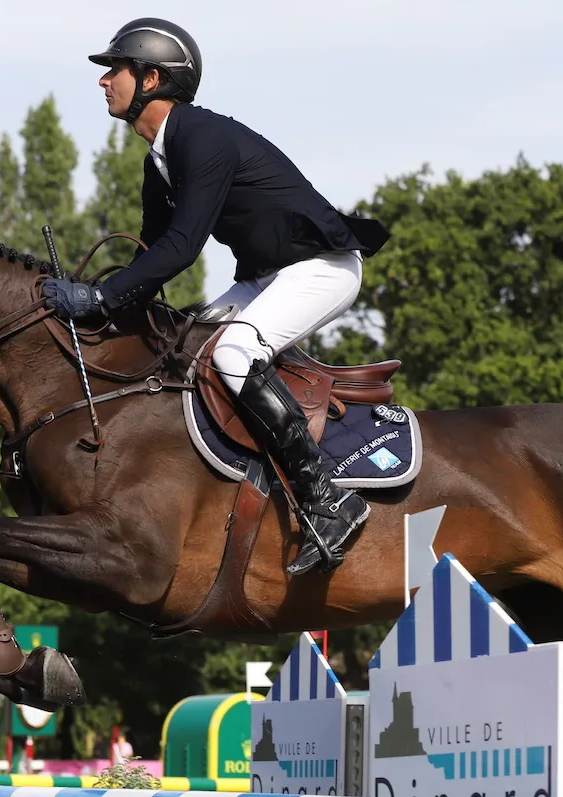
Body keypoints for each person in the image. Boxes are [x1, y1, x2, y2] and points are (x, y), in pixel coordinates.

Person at [41, 18, 389, 576]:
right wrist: (103, 313)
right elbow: (151, 252)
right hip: (265, 277)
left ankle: (327, 499)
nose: (104, 81)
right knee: (185, 346)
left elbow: (181, 248)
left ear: (151, 78)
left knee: (231, 355)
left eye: (115, 70)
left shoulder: (200, 136)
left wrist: (100, 298)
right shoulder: (159, 153)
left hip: (320, 269)